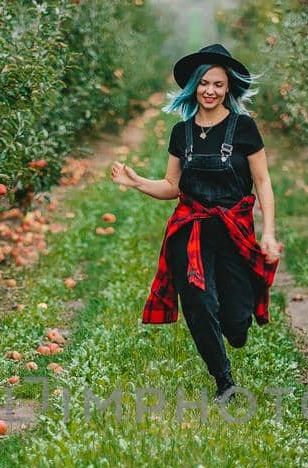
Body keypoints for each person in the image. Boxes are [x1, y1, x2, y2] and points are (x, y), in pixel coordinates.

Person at [111, 43, 281, 400]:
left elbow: (263, 181)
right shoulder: (181, 133)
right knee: (199, 304)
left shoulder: (244, 128)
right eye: (204, 83)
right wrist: (137, 181)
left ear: (229, 88)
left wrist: (268, 232)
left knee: (236, 324)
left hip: (235, 232)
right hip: (191, 231)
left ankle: (236, 328)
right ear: (193, 87)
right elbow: (172, 186)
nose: (210, 90)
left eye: (218, 84)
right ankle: (224, 382)